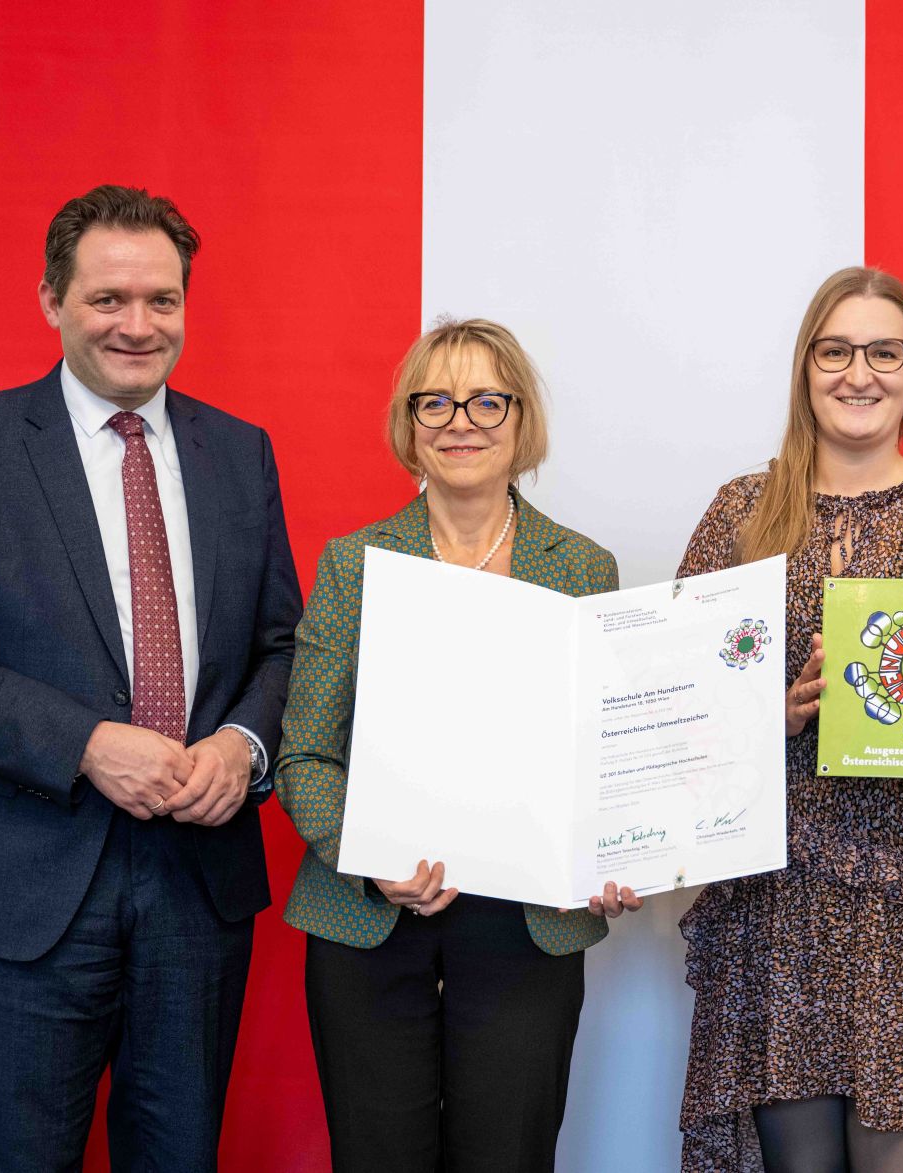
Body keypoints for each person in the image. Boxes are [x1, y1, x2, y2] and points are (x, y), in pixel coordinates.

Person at [0, 185, 302, 1169]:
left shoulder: (240, 453)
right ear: (51, 301)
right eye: (109, 298)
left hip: (198, 887)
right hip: (24, 887)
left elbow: (283, 647)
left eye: (161, 300)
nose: (137, 325)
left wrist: (242, 746)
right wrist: (86, 744)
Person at [676, 267, 903, 1173]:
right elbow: (677, 695)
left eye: (884, 351)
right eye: (835, 351)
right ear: (806, 370)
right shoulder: (741, 512)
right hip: (777, 899)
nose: (859, 373)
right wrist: (774, 712)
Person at [275, 317, 641, 1172]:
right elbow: (305, 756)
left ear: (521, 419)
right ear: (409, 423)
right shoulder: (354, 561)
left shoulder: (583, 567)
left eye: (485, 399)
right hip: (371, 921)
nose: (459, 420)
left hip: (528, 929)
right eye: (433, 401)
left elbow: (608, 759)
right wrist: (367, 857)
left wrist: (619, 848)